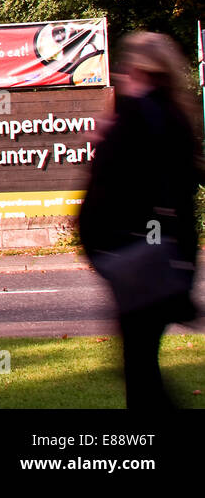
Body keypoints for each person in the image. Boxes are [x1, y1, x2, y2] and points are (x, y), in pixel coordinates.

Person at [78, 31, 204, 409]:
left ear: (137, 69)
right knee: (141, 362)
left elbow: (116, 184)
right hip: (162, 259)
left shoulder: (137, 118)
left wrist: (103, 144)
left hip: (136, 257)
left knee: (139, 367)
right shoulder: (176, 119)